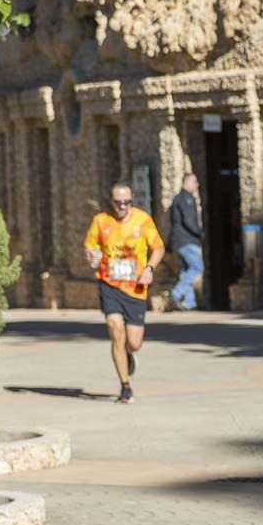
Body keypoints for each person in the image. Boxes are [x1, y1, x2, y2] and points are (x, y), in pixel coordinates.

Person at [84, 182, 166, 404]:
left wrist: (150, 269)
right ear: (111, 201)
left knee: (134, 342)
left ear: (132, 200)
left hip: (136, 289)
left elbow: (158, 247)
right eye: (118, 202)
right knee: (115, 330)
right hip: (109, 284)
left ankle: (129, 354)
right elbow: (90, 248)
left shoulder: (142, 219)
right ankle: (125, 386)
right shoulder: (100, 221)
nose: (122, 207)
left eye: (127, 202)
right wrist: (92, 256)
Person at [168, 173, 204, 311]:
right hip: (187, 240)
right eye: (195, 182)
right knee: (197, 268)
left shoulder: (177, 199)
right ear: (187, 182)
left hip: (178, 241)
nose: (197, 185)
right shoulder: (187, 199)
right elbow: (189, 221)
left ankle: (189, 303)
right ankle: (176, 293)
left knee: (186, 271)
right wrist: (200, 233)